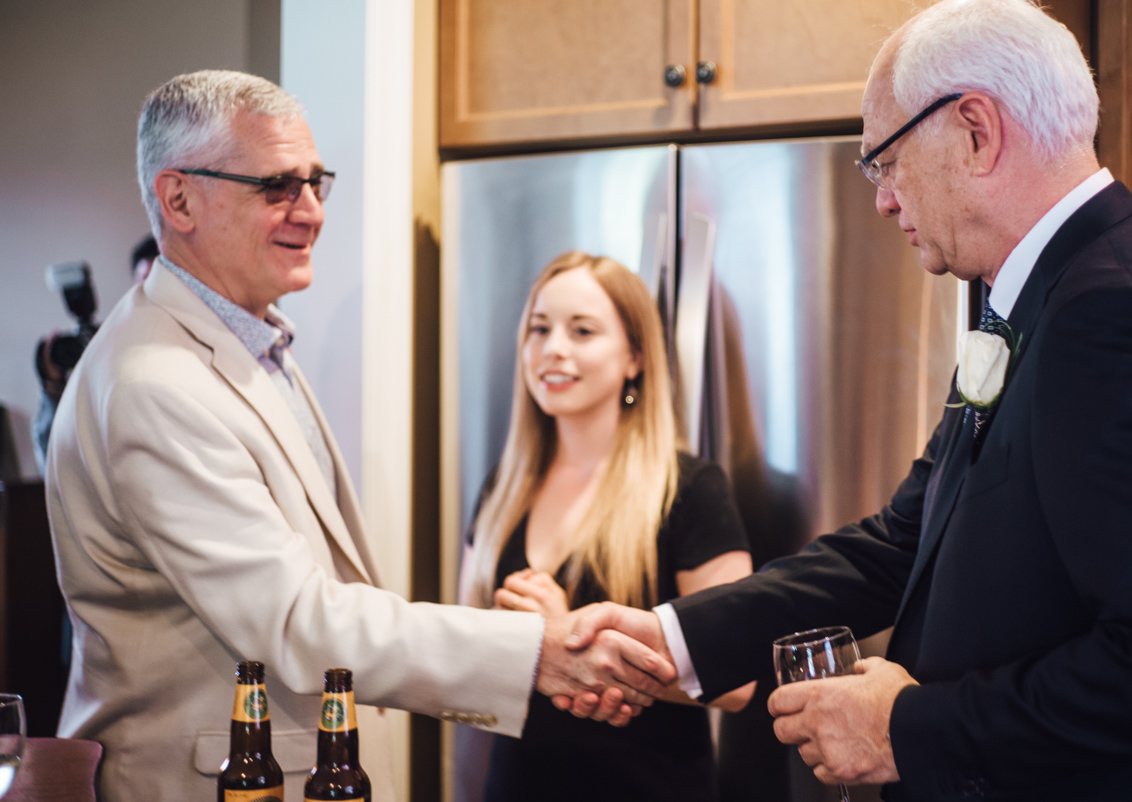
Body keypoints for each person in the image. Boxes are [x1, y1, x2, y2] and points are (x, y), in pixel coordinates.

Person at [564, 1, 1132, 800]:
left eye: (885, 161)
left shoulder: (1117, 313)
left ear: (975, 130)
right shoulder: (1032, 297)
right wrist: (673, 634)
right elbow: (905, 540)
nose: (883, 201)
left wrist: (907, 729)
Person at [45, 70, 672, 802]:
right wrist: (535, 653)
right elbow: (297, 621)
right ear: (179, 198)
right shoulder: (155, 381)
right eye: (277, 186)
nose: (309, 212)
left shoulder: (247, 342)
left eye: (316, 183)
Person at [460, 251, 754, 801]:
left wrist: (566, 632)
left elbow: (737, 680)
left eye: (583, 330)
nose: (553, 349)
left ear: (634, 358)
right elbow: (466, 649)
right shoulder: (503, 487)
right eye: (540, 329)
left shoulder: (689, 489)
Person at [31, 234, 158, 473]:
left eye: (158, 284)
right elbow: (50, 460)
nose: (150, 294)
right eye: (143, 283)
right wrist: (55, 388)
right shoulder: (110, 345)